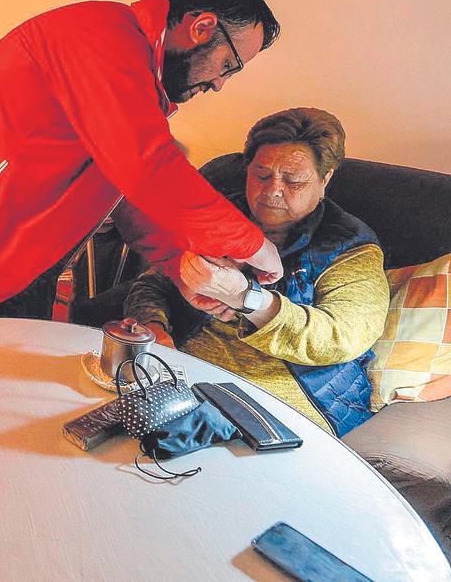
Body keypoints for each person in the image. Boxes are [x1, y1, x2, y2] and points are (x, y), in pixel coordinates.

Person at [0, 0, 283, 328]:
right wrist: (253, 245)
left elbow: (124, 193)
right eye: (227, 65)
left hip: (28, 254)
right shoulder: (105, 36)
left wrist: (178, 265)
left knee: (10, 374)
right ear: (202, 27)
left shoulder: (142, 80)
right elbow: (148, 168)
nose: (219, 85)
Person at [123, 108, 387, 436]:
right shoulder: (222, 214)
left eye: (293, 180)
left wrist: (250, 300)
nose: (272, 190)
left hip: (288, 395)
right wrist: (154, 329)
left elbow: (340, 338)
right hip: (185, 373)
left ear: (325, 179)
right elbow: (153, 282)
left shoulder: (350, 246)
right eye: (261, 174)